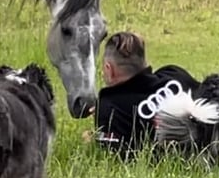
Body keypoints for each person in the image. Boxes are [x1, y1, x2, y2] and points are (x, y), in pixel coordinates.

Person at [78, 31, 201, 159]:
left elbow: (117, 155)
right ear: (144, 62)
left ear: (109, 70)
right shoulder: (176, 75)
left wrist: (96, 135)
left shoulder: (110, 107)